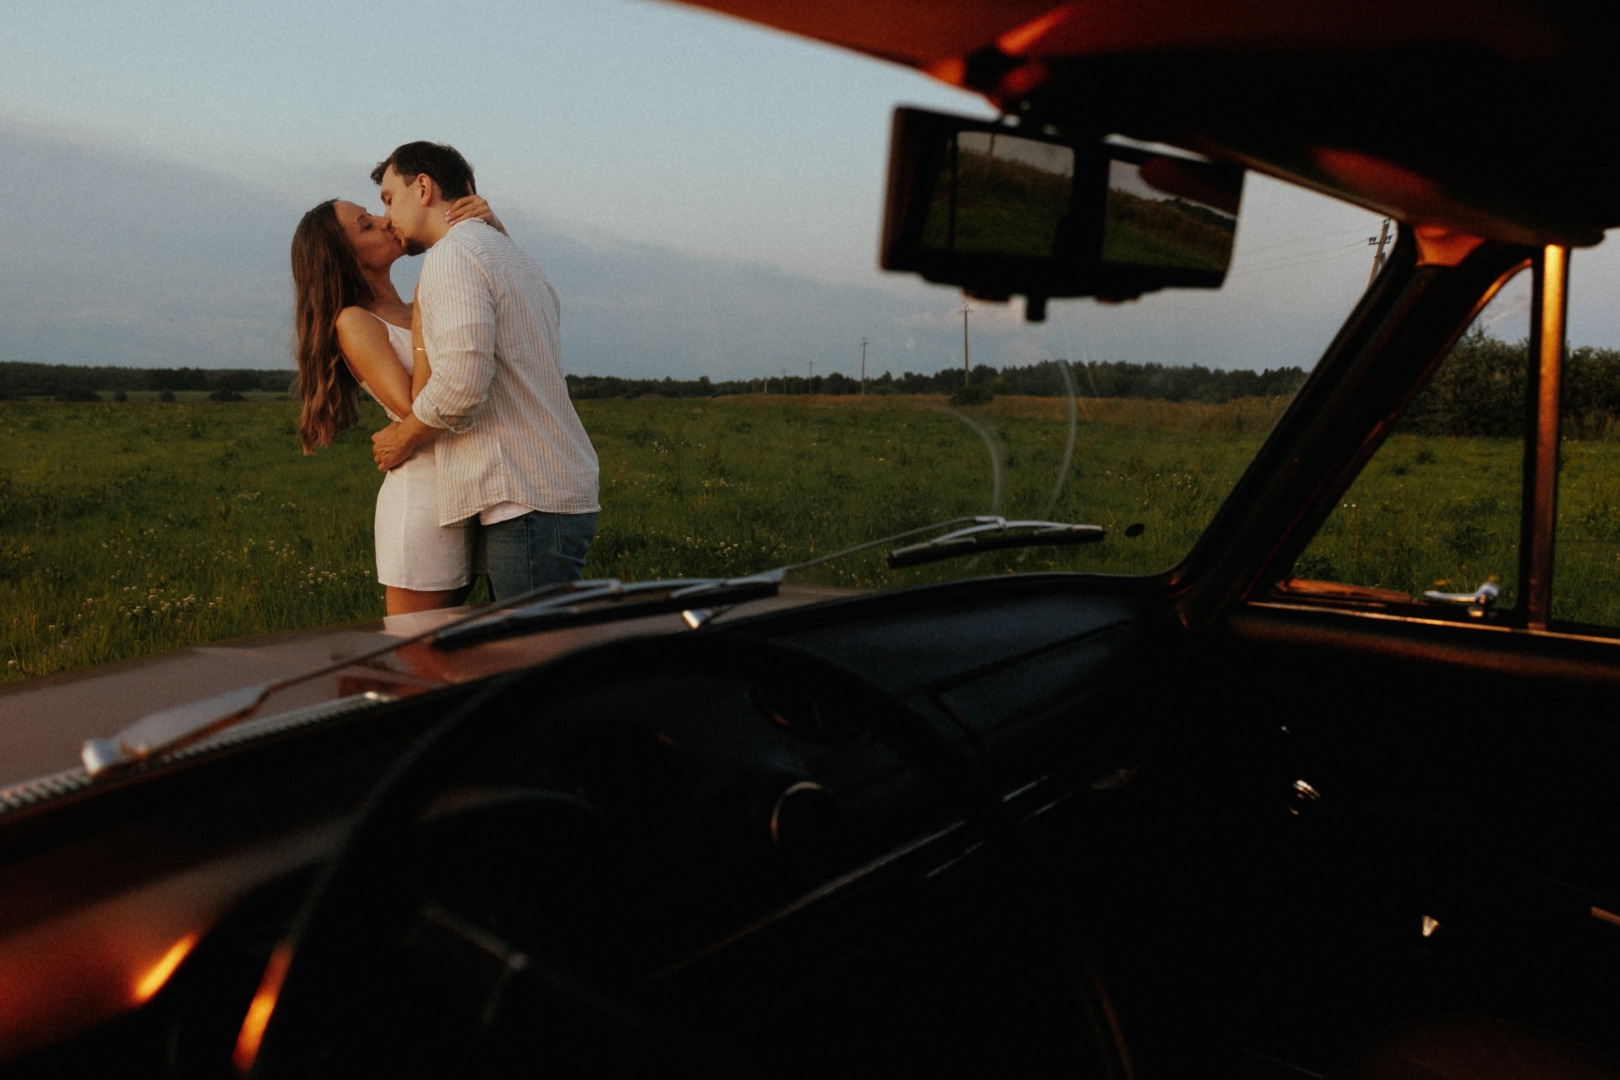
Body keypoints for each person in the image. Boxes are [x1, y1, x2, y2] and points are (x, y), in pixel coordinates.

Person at [369, 141, 600, 601]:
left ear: (423, 187)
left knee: (531, 655)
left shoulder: (452, 255)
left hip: (526, 494)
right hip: (547, 489)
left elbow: (461, 381)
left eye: (389, 199)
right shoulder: (514, 256)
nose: (388, 218)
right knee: (531, 650)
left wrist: (404, 436)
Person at [289, 193, 499, 615]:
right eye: (366, 224)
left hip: (474, 490)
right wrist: (421, 328)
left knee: (465, 647)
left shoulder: (413, 305)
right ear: (343, 256)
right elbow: (414, 408)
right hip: (423, 507)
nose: (386, 221)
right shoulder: (355, 321)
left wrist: (490, 228)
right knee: (414, 654)